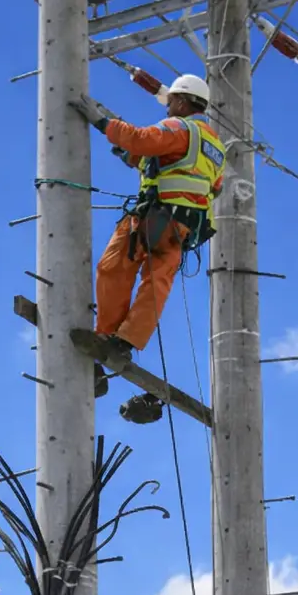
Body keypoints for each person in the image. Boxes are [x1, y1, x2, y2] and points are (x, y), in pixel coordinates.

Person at [70, 74, 224, 423]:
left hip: (153, 217)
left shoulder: (180, 127)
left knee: (113, 269)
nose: (168, 105)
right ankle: (124, 343)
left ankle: (108, 335)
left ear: (183, 102)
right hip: (182, 227)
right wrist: (126, 148)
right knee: (156, 285)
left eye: (172, 101)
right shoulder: (213, 146)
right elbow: (197, 177)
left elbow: (142, 139)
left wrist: (103, 122)